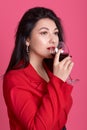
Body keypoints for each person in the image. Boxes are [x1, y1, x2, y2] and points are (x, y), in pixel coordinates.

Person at [3, 7, 74, 130]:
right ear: (27, 39)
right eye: (44, 33)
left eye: (55, 33)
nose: (53, 40)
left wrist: (60, 79)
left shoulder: (52, 71)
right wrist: (57, 81)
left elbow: (61, 120)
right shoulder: (15, 79)